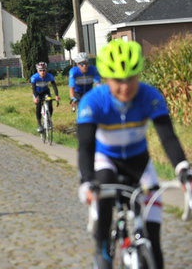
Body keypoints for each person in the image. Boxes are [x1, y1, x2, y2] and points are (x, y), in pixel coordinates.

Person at [77, 39, 190, 269]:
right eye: (118, 80)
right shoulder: (93, 101)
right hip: (106, 160)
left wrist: (183, 170)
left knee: (153, 239)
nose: (125, 86)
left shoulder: (150, 96)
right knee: (104, 191)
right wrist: (87, 181)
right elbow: (86, 147)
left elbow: (167, 137)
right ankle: (104, 250)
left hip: (140, 163)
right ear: (107, 79)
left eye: (131, 78)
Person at [30, 62, 59, 133]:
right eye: (40, 70)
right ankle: (39, 124)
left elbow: (54, 86)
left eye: (44, 70)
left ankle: (49, 120)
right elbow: (33, 88)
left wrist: (56, 95)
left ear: (46, 70)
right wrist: (36, 97)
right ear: (37, 71)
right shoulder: (34, 77)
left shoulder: (50, 76)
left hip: (46, 92)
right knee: (38, 105)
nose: (42, 72)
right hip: (37, 93)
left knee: (50, 103)